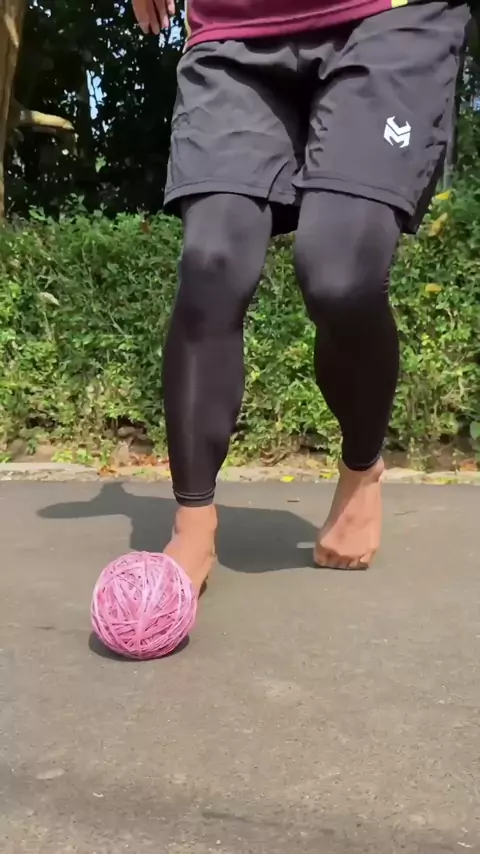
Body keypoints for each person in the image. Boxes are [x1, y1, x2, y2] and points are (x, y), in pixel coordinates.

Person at [132, 0, 470, 589]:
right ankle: (192, 523)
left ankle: (361, 465)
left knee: (340, 274)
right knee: (211, 263)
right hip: (233, 30)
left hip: (388, 18)